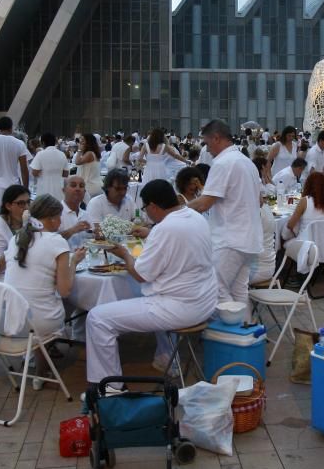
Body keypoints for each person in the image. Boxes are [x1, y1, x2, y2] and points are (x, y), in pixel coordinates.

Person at [84, 180, 219, 384]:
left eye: (146, 209)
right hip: (205, 300)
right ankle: (165, 357)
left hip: (180, 308)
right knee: (133, 293)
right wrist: (150, 234)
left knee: (97, 318)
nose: (146, 214)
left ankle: (109, 387)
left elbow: (140, 275)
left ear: (154, 206)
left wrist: (123, 254)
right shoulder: (194, 217)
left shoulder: (165, 228)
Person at [186, 119, 262, 306]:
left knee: (215, 289)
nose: (207, 148)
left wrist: (177, 210)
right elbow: (260, 201)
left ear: (217, 138)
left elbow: (205, 203)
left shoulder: (223, 163)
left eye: (207, 142)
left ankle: (234, 329)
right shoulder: (247, 162)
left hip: (231, 239)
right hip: (248, 238)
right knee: (238, 291)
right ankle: (244, 330)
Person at [5, 195, 86, 332]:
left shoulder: (16, 238)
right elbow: (64, 291)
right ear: (52, 218)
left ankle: (40, 351)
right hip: (40, 320)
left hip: (9, 318)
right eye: (60, 217)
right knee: (78, 303)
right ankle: (80, 338)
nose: (60, 222)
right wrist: (74, 262)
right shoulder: (57, 241)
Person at [284, 172, 324, 238]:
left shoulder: (305, 201)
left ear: (308, 185)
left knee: (284, 233)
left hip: (306, 244)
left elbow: (290, 225)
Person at [30, 133, 68, 203]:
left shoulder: (40, 154)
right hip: (59, 190)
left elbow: (34, 172)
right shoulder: (62, 154)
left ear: (43, 143)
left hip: (44, 190)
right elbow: (66, 174)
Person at [58, 175, 92, 248]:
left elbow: (93, 238)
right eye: (73, 185)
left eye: (81, 186)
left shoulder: (86, 214)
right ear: (64, 190)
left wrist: (99, 234)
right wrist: (72, 230)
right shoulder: (55, 213)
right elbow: (49, 241)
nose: (78, 189)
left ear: (85, 192)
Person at [74, 133, 102, 199]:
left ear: (88, 142)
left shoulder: (89, 153)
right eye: (80, 140)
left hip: (90, 185)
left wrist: (79, 150)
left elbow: (77, 162)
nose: (80, 142)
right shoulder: (92, 153)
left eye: (83, 140)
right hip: (94, 184)